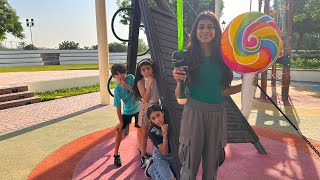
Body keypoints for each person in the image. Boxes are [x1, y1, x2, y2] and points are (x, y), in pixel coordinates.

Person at [172, 11, 256, 179]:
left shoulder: (224, 58)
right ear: (195, 31)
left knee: (212, 167)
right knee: (189, 164)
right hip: (194, 113)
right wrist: (178, 79)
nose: (205, 31)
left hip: (217, 113)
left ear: (217, 31)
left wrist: (246, 86)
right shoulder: (187, 57)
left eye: (210, 27)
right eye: (201, 27)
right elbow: (179, 98)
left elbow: (222, 91)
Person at [111, 64, 142, 167]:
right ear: (114, 77)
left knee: (140, 129)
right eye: (117, 74)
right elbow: (118, 107)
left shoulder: (130, 78)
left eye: (122, 72)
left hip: (138, 109)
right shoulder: (117, 90)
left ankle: (141, 150)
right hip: (127, 111)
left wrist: (127, 86)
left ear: (126, 72)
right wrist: (120, 122)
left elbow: (137, 92)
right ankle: (116, 154)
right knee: (119, 130)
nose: (121, 76)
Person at [133, 59, 160, 168]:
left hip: (157, 107)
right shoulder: (141, 82)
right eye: (143, 70)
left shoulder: (158, 79)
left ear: (152, 69)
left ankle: (156, 155)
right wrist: (148, 84)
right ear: (140, 72)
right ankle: (143, 156)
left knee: (156, 133)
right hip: (145, 107)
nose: (146, 71)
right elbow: (146, 98)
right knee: (145, 133)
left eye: (148, 68)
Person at [144, 104, 178, 180]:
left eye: (158, 115)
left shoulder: (171, 120)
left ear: (163, 113)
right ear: (150, 120)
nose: (157, 120)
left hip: (174, 155)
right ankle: (152, 166)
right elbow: (164, 152)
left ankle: (152, 168)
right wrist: (164, 134)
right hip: (160, 156)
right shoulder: (152, 131)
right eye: (153, 118)